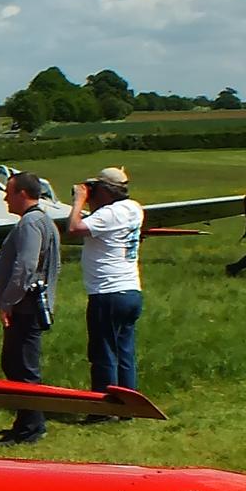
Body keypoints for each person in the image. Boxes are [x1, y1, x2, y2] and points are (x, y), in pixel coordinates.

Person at [0, 171, 61, 444]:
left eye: (9, 192)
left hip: (24, 308)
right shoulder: (44, 221)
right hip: (30, 306)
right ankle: (28, 422)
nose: (5, 197)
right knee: (18, 364)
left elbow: (26, 266)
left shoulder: (30, 224)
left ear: (22, 194)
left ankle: (30, 428)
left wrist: (8, 301)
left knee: (21, 367)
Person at [68, 166, 144, 396]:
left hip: (107, 292)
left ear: (106, 190)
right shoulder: (134, 209)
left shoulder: (109, 214)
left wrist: (79, 200)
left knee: (104, 353)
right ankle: (127, 403)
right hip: (130, 290)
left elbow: (73, 227)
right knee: (124, 352)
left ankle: (104, 406)